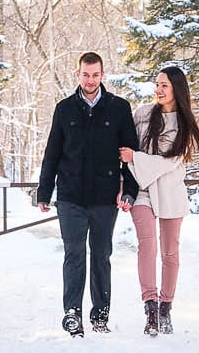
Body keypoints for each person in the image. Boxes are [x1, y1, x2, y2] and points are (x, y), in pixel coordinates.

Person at [36, 51, 141, 337]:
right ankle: (72, 314)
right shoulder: (64, 109)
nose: (90, 80)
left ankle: (100, 314)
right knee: (74, 254)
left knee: (101, 254)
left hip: (105, 198)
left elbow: (129, 154)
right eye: (85, 74)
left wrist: (129, 191)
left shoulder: (119, 108)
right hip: (70, 195)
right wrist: (44, 192)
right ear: (78, 74)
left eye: (95, 75)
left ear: (102, 75)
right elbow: (52, 153)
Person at [120, 64, 199, 337]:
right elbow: (126, 147)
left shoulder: (186, 127)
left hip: (169, 192)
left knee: (170, 253)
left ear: (176, 89)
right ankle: (151, 308)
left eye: (164, 85)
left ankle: (166, 307)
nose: (158, 89)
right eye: (157, 84)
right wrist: (125, 183)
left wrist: (136, 158)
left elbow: (168, 162)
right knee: (147, 246)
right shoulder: (143, 114)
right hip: (142, 191)